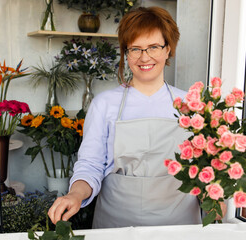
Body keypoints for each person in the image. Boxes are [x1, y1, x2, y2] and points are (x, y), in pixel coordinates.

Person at [48, 6, 205, 228]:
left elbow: (205, 165)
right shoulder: (104, 104)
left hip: (180, 222)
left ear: (168, 49)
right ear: (126, 52)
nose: (144, 57)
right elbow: (90, 164)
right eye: (135, 49)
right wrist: (74, 195)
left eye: (153, 47)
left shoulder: (191, 104)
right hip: (116, 223)